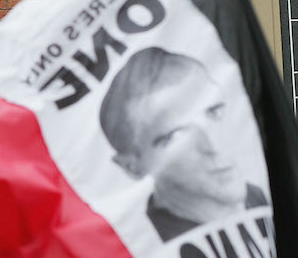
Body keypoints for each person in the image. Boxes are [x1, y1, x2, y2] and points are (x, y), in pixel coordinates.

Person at [100, 47, 267, 242]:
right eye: (175, 136)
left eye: (214, 111)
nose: (213, 145)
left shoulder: (256, 198)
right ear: (132, 167)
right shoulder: (147, 245)